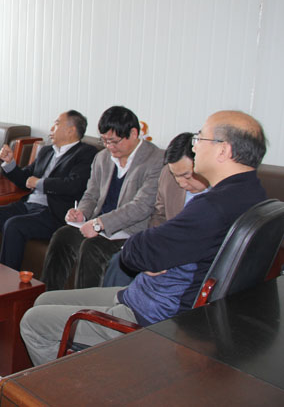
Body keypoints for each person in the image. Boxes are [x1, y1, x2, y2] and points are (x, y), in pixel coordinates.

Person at [20, 110, 267, 366]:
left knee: (33, 321)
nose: (195, 147)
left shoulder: (212, 207)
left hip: (151, 314)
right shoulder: (255, 196)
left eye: (199, 138)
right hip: (147, 295)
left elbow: (135, 253)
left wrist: (153, 252)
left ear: (223, 150)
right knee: (44, 299)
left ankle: (62, 385)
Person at [40, 106, 163, 290]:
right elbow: (91, 194)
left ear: (133, 133)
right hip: (98, 225)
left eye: (114, 141)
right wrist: (82, 212)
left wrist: (100, 224)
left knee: (93, 248)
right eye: (104, 140)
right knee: (62, 236)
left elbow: (141, 206)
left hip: (130, 232)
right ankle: (48, 296)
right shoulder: (102, 158)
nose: (109, 146)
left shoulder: (155, 159)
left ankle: (84, 305)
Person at [0, 111, 97, 270]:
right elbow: (25, 180)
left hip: (53, 213)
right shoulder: (47, 151)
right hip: (28, 206)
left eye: (57, 124)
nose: (51, 128)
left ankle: (7, 279)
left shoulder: (86, 153)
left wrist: (39, 183)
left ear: (71, 130)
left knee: (14, 225)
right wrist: (10, 163)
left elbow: (74, 185)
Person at [102, 132, 210, 287]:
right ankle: (112, 302)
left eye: (187, 176)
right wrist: (155, 247)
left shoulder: (220, 192)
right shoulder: (167, 174)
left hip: (196, 258)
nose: (181, 183)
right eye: (176, 175)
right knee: (120, 262)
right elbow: (159, 215)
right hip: (167, 247)